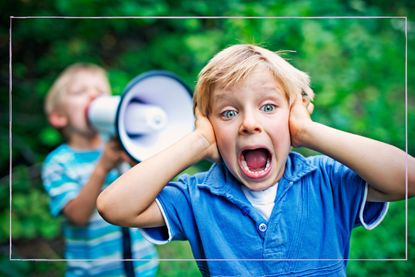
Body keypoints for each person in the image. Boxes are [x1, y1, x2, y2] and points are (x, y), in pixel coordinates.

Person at [96, 45, 415, 276]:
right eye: (228, 113)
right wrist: (198, 142)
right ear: (209, 125)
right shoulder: (196, 197)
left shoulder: (326, 182)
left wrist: (307, 131)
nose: (249, 124)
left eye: (268, 107)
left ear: (295, 113)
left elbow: (408, 177)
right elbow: (114, 207)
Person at [41, 63, 158, 276]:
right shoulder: (59, 162)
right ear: (59, 116)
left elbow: (150, 194)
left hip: (143, 268)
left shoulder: (123, 146)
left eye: (100, 91)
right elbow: (78, 216)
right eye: (80, 91)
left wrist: (133, 161)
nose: (93, 95)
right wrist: (102, 168)